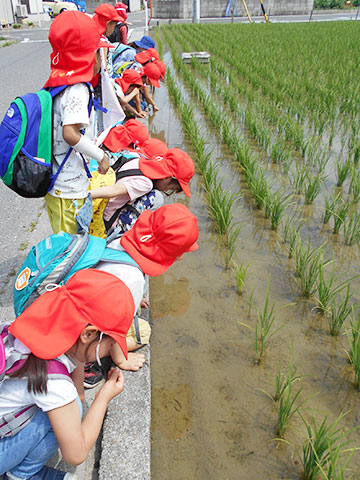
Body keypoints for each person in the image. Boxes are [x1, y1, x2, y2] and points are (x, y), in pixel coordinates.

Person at [0, 269, 135, 480]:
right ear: (88, 334)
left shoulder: (33, 327)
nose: (110, 352)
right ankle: (20, 475)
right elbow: (76, 454)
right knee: (65, 411)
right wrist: (103, 396)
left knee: (71, 406)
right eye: (110, 345)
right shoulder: (54, 383)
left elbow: (77, 374)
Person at [85, 203, 199, 386]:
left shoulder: (120, 241)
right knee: (143, 332)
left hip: (81, 303)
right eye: (181, 253)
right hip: (82, 333)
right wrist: (122, 360)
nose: (182, 257)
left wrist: (135, 299)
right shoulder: (133, 280)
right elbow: (115, 330)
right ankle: (88, 363)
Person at [43, 11, 110, 234]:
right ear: (88, 56)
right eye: (99, 53)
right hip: (68, 189)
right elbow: (70, 134)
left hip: (58, 186)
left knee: (67, 242)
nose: (101, 58)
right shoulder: (78, 89)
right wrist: (101, 157)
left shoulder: (57, 84)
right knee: (69, 248)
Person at [91, 148, 195, 232]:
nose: (168, 190)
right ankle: (121, 230)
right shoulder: (146, 184)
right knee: (157, 198)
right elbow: (116, 189)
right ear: (167, 178)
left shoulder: (137, 159)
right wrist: (87, 195)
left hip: (102, 202)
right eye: (171, 188)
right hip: (104, 218)